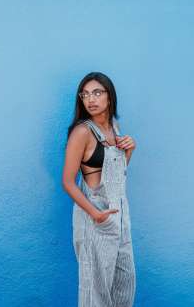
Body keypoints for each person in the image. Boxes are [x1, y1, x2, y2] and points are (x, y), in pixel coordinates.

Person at [62, 71, 136, 306]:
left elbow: (116, 174)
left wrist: (129, 150)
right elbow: (67, 181)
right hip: (96, 219)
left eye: (97, 92)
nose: (90, 99)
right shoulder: (82, 132)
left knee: (124, 287)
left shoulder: (114, 128)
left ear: (109, 97)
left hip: (121, 219)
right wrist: (95, 214)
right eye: (85, 94)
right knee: (96, 294)